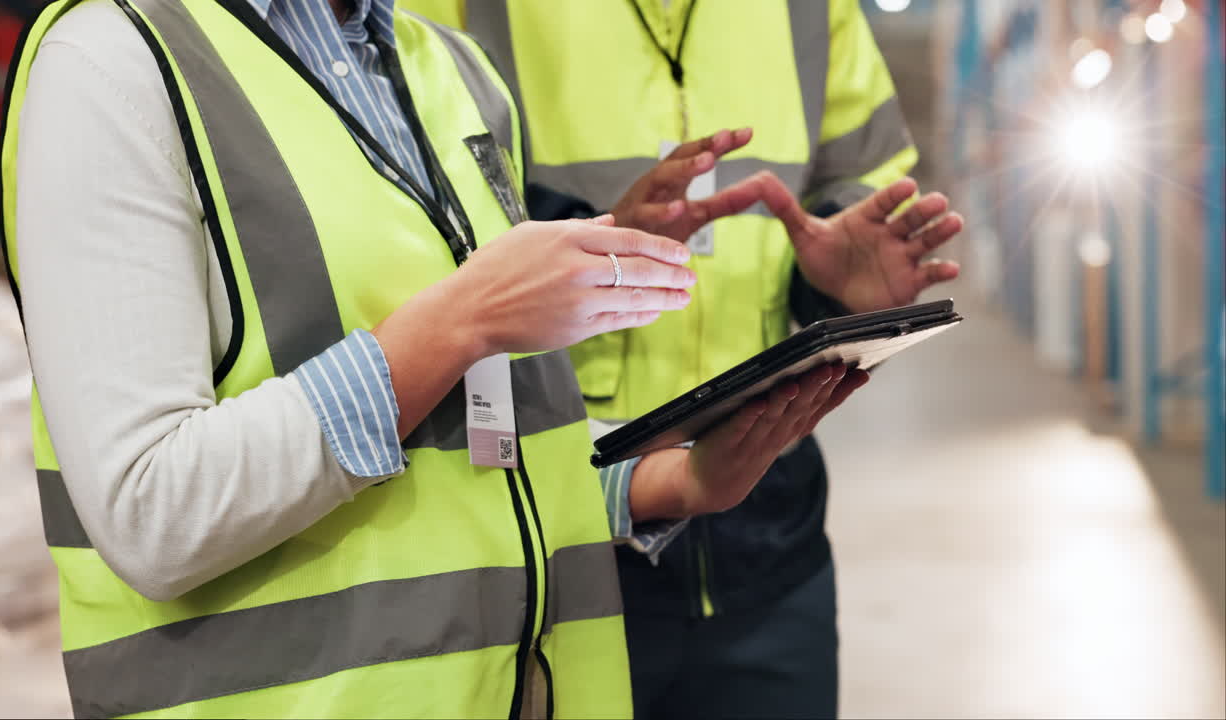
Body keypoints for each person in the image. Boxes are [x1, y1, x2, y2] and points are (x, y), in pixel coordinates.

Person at [0, 0, 870, 717]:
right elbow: (150, 510)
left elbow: (476, 449)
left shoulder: (453, 71)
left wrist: (672, 482)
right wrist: (461, 319)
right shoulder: (111, 67)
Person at [403, 1, 964, 717]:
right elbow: (416, 215)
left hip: (768, 509)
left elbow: (861, 176)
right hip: (559, 516)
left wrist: (837, 285)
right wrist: (600, 238)